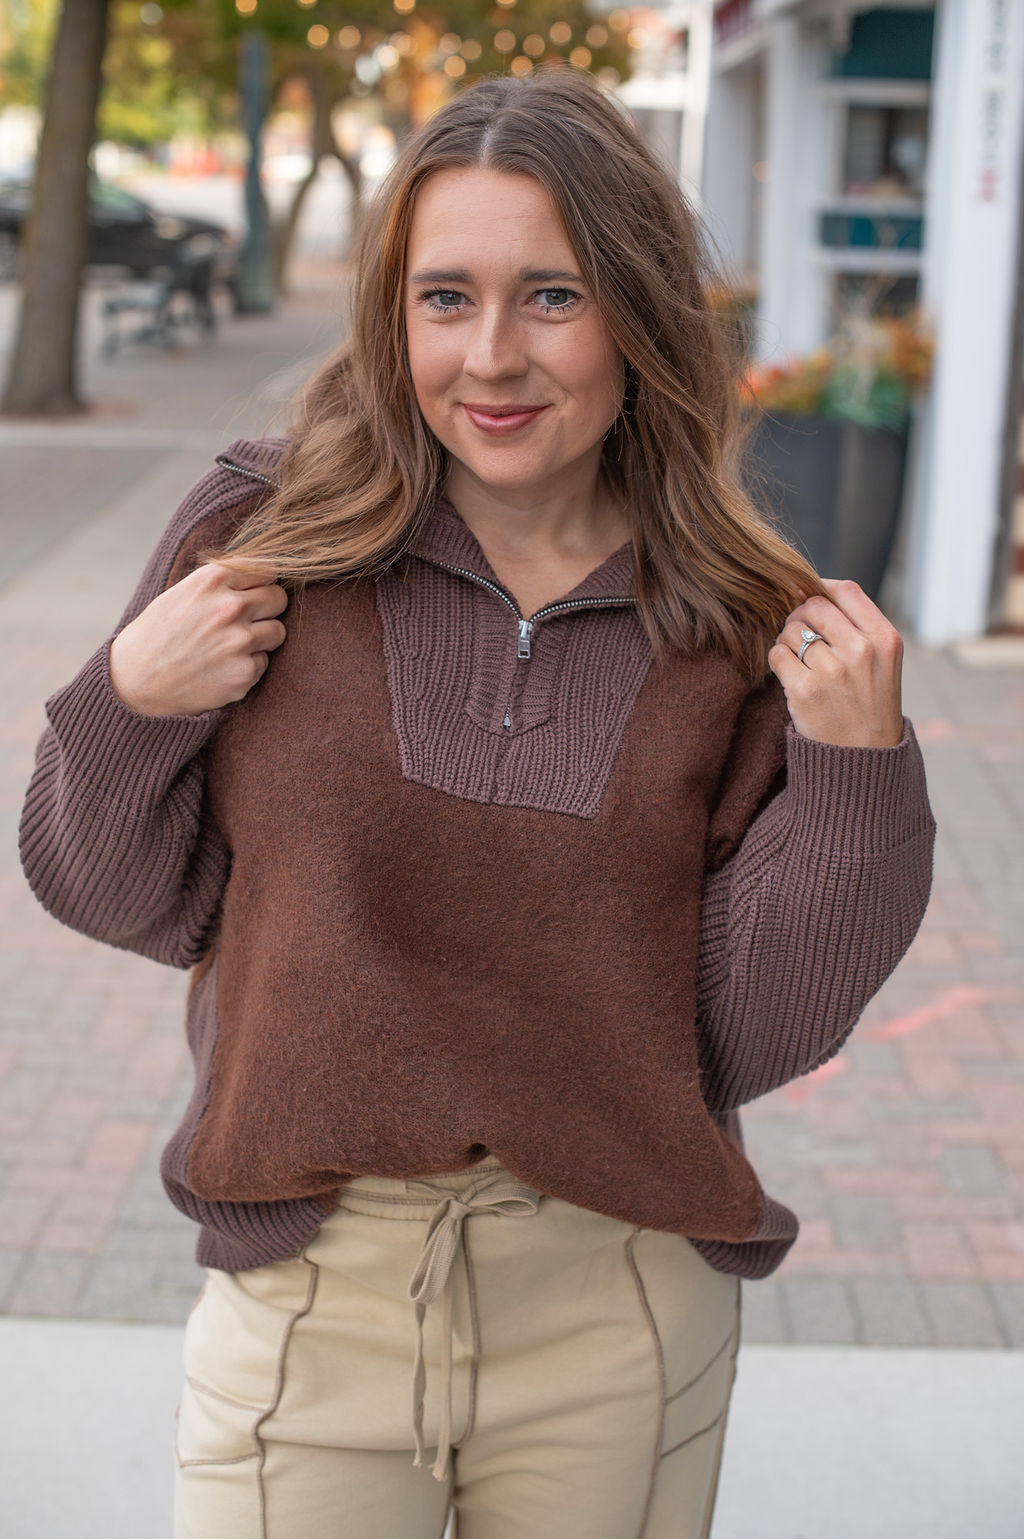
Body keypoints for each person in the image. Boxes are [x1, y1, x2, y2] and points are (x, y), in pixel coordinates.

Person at [20, 68, 934, 1539]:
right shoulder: (262, 542)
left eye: (552, 297)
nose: (492, 358)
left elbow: (745, 1032)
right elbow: (121, 893)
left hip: (617, 1305)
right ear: (395, 318)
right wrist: (129, 705)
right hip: (314, 1304)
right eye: (445, 297)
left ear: (637, 312)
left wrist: (854, 783)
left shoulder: (745, 623)